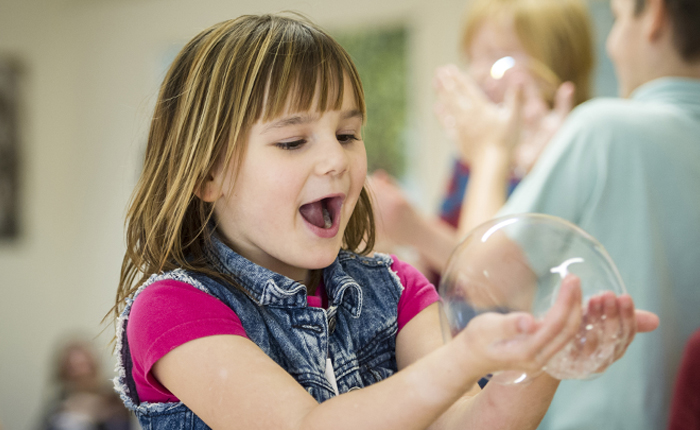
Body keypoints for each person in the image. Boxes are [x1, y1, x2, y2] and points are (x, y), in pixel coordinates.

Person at [109, 14, 657, 430]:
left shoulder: (394, 288)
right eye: (293, 141)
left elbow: (473, 422)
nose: (335, 160)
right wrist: (467, 355)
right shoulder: (173, 309)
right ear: (207, 175)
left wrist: (545, 357)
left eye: (347, 134)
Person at [448, 0, 700, 428]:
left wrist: (490, 153)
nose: (612, 43)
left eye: (619, 20)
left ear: (654, 16)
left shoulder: (604, 131)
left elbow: (475, 281)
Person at [369, 0, 594, 276]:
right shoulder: (468, 159)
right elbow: (447, 271)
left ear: (556, 65)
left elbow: (500, 281)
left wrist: (414, 228)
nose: (477, 73)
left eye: (497, 57)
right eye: (472, 58)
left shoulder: (573, 153)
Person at [39, 337, 131, 430]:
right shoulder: (58, 404)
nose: (80, 372)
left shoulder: (114, 400)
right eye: (73, 368)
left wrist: (97, 412)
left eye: (83, 365)